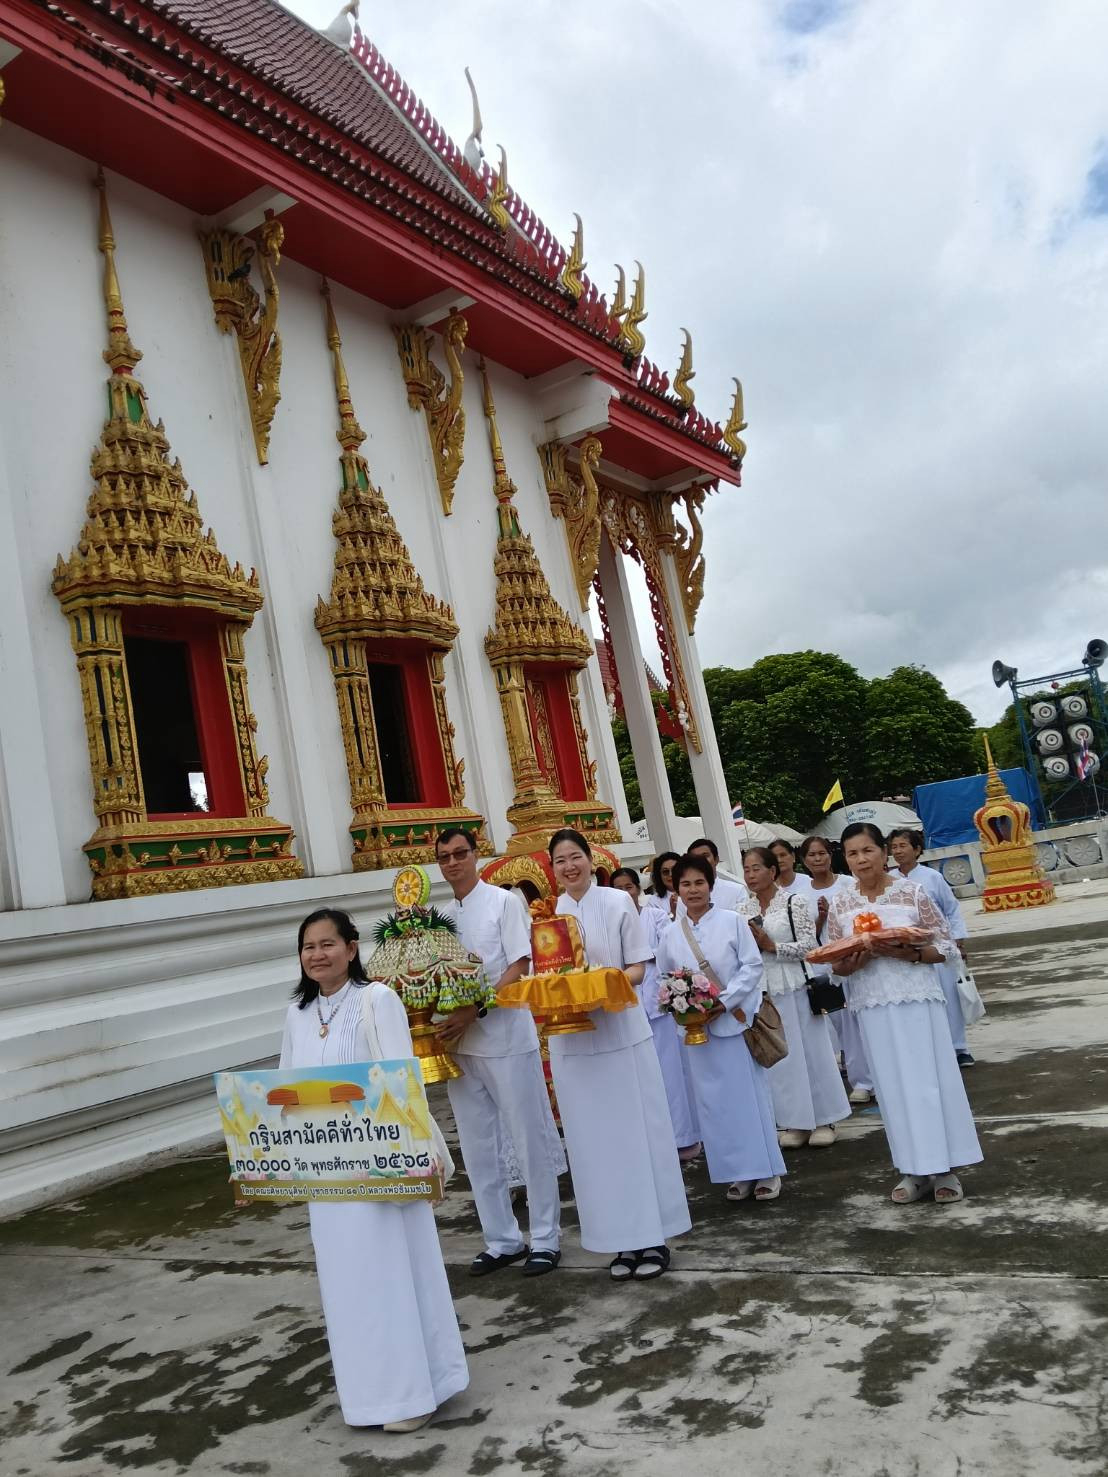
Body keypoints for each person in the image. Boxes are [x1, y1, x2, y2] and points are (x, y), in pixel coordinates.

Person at [280, 908, 468, 1432]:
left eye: (327, 944)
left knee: (392, 1274)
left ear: (351, 948)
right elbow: (284, 1089)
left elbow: (402, 1081)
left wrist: (420, 1156)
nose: (317, 954)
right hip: (326, 1172)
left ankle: (416, 1394)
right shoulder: (297, 1013)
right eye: (308, 946)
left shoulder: (376, 1000)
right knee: (348, 1284)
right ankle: (369, 1396)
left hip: (381, 1164)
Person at [548, 829, 692, 1280]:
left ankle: (653, 1236)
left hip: (620, 1033)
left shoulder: (616, 902)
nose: (569, 867)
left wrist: (603, 983)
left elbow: (639, 967)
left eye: (575, 857)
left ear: (591, 860)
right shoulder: (551, 915)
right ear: (553, 869)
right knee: (594, 1144)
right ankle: (618, 1239)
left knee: (637, 1136)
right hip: (574, 1041)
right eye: (560, 861)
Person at [433, 828, 565, 1278]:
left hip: (506, 1036)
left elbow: (520, 964)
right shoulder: (440, 918)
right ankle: (502, 1239)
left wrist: (477, 1009)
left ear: (476, 855)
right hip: (459, 1044)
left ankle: (545, 1237)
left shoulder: (504, 902)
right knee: (478, 1147)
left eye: (460, 853)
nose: (453, 862)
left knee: (529, 1139)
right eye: (445, 857)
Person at [829, 823, 983, 1204]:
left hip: (917, 1001)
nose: (861, 860)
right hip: (872, 1006)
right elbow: (835, 963)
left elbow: (945, 946)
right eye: (852, 853)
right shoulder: (841, 904)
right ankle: (912, 1169)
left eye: (868, 850)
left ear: (884, 853)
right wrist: (855, 960)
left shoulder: (911, 892)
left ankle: (946, 1169)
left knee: (931, 1082)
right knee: (892, 1089)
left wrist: (909, 954)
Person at [655, 854, 785, 1202]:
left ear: (710, 885)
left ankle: (766, 1169)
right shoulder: (670, 934)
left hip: (733, 1023)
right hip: (697, 1032)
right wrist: (682, 1007)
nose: (693, 889)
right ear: (676, 890)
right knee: (713, 1105)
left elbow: (751, 966)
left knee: (748, 1098)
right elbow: (665, 977)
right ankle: (735, 1172)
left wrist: (723, 1003)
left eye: (699, 882)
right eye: (685, 884)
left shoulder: (732, 921)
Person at [741, 848, 851, 1148]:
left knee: (811, 1052)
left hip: (795, 986)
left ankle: (825, 1118)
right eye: (746, 869)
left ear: (772, 871)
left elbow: (809, 946)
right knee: (781, 1059)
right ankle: (795, 1121)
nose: (751, 875)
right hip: (764, 990)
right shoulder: (742, 909)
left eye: (756, 868)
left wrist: (772, 946)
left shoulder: (794, 901)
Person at [611, 866, 702, 1164]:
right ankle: (649, 1139)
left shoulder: (655, 916)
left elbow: (668, 949)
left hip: (657, 1003)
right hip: (626, 1006)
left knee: (670, 1073)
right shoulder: (611, 920)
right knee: (638, 1077)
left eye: (629, 887)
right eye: (618, 889)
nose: (625, 893)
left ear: (638, 889)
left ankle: (683, 1136)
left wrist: (640, 955)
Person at [889, 828, 974, 1068]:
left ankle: (959, 1047)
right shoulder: (890, 880)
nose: (898, 851)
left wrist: (957, 941)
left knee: (948, 996)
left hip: (937, 945)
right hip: (908, 949)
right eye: (894, 847)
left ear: (917, 849)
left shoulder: (931, 877)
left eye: (903, 845)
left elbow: (951, 909)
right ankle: (931, 1048)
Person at [800, 835, 874, 1106]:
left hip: (858, 958)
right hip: (826, 965)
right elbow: (806, 936)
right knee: (844, 1026)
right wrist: (822, 918)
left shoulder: (848, 884)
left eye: (822, 853)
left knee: (865, 1020)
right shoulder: (801, 894)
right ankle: (861, 1081)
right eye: (811, 855)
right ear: (804, 860)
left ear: (831, 855)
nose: (817, 859)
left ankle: (877, 1076)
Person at [687, 837, 751, 910]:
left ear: (716, 860)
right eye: (696, 858)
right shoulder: (684, 896)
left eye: (705, 856)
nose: (701, 861)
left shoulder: (737, 891)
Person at [643, 851, 681, 920]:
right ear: (659, 876)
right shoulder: (653, 902)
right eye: (665, 872)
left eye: (675, 870)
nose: (671, 874)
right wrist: (673, 913)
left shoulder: (694, 892)